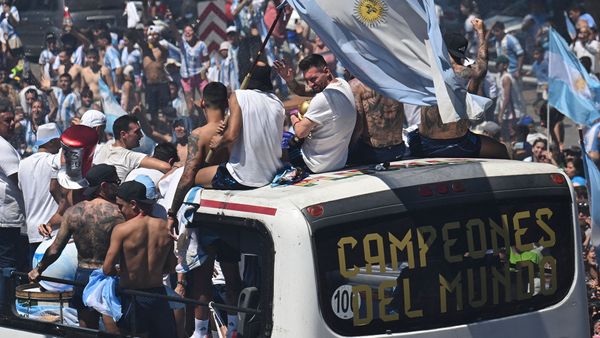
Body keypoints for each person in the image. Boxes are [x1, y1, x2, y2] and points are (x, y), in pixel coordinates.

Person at [170, 82, 241, 338]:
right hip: (235, 208)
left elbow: (189, 176)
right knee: (232, 274)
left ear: (202, 103)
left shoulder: (199, 134)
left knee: (202, 277)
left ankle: (201, 333)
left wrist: (172, 210)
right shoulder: (235, 129)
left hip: (206, 211)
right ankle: (234, 328)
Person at [28, 164, 124, 331]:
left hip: (82, 276)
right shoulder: (119, 214)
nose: (119, 186)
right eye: (116, 181)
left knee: (85, 329)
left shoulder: (73, 212)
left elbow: (55, 249)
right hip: (109, 276)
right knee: (114, 327)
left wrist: (38, 269)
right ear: (104, 186)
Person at [103, 181, 177, 338]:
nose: (119, 210)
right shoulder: (165, 228)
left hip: (133, 296)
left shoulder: (122, 230)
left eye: (121, 206)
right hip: (158, 296)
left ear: (133, 204)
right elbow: (171, 266)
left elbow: (107, 268)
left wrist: (122, 271)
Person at [193, 65, 285, 189]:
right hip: (272, 173)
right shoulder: (277, 102)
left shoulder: (239, 95)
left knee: (197, 176)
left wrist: (219, 141)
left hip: (244, 177)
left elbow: (231, 136)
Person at [273, 54, 356, 173]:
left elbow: (300, 132)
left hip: (313, 163)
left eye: (313, 79)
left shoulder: (323, 98)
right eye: (307, 81)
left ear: (326, 71)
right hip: (338, 161)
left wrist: (293, 116)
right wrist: (289, 79)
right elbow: (301, 90)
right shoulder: (342, 84)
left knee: (277, 152)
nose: (311, 84)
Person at [17, 123, 62, 263]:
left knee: (35, 278)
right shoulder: (54, 161)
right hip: (53, 230)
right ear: (53, 141)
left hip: (33, 230)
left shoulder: (23, 164)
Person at [0, 98, 25, 312]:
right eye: (6, 120)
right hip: (6, 217)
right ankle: (6, 309)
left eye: (12, 120)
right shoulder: (2, 146)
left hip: (7, 215)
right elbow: (18, 178)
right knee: (8, 263)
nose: (11, 124)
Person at [347, 75, 405, 165]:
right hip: (398, 150)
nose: (344, 69)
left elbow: (359, 127)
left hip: (373, 153)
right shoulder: (395, 78)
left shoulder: (355, 85)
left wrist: (349, 148)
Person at [93, 115, 171, 181]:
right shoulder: (130, 156)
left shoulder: (106, 145)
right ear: (123, 134)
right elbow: (166, 167)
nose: (141, 135)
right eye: (137, 132)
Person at [496, 55, 524, 143]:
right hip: (507, 111)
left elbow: (507, 97)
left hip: (511, 112)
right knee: (506, 135)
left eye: (499, 64)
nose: (497, 66)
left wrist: (501, 113)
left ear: (505, 65)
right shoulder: (500, 77)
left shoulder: (506, 78)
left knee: (512, 135)